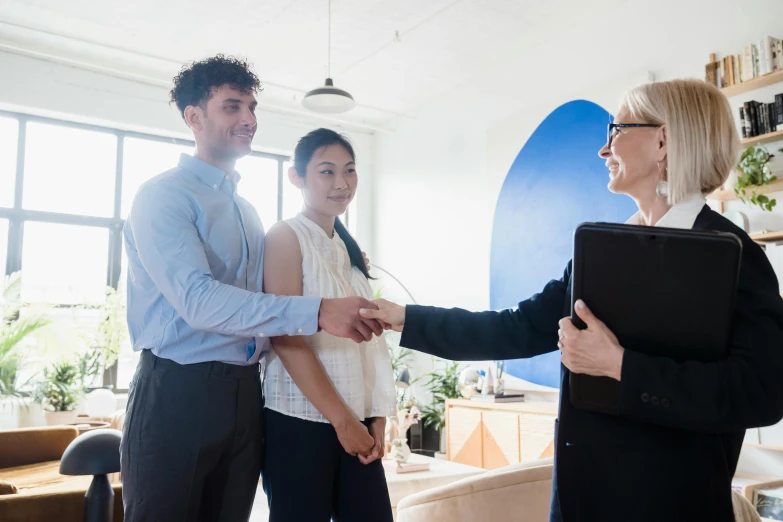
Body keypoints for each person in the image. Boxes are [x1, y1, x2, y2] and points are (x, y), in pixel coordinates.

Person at [361, 79, 783, 522]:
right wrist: (404, 319)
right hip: (582, 504)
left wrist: (620, 365)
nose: (604, 150)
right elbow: (516, 327)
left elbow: (760, 394)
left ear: (662, 140)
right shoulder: (600, 250)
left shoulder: (735, 256)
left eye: (615, 131)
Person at [120, 56, 384, 522]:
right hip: (178, 389)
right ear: (194, 117)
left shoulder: (246, 212)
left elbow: (260, 313)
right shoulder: (164, 196)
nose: (249, 119)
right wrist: (319, 311)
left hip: (246, 392)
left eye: (252, 107)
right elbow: (199, 302)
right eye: (232, 107)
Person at [261, 128, 396, 522]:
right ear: (297, 177)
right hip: (301, 421)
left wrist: (376, 418)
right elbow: (285, 335)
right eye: (326, 172)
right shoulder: (285, 236)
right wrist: (342, 420)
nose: (342, 183)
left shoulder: (347, 246)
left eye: (350, 171)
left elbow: (368, 343)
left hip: (357, 419)